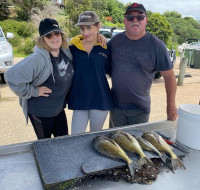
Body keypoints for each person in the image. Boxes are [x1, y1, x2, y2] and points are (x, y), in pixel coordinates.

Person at [108, 2, 178, 128]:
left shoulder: (157, 45)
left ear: (146, 20)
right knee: (115, 145)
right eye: (130, 17)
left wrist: (171, 105)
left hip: (140, 110)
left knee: (136, 146)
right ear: (124, 21)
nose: (135, 20)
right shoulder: (114, 41)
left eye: (140, 17)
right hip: (115, 107)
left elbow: (169, 77)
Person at [5, 18, 74, 139]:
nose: (54, 37)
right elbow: (11, 76)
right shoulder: (38, 58)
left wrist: (99, 37)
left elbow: (82, 40)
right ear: (42, 39)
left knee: (64, 142)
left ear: (61, 35)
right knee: (45, 147)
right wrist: (34, 91)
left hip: (58, 109)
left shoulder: (65, 52)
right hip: (41, 112)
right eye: (48, 35)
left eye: (56, 33)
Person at [68, 11, 113, 134]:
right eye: (82, 28)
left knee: (95, 137)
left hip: (100, 99)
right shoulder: (73, 47)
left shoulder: (106, 47)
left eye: (89, 28)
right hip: (79, 98)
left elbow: (112, 70)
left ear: (98, 26)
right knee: (75, 137)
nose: (85, 32)